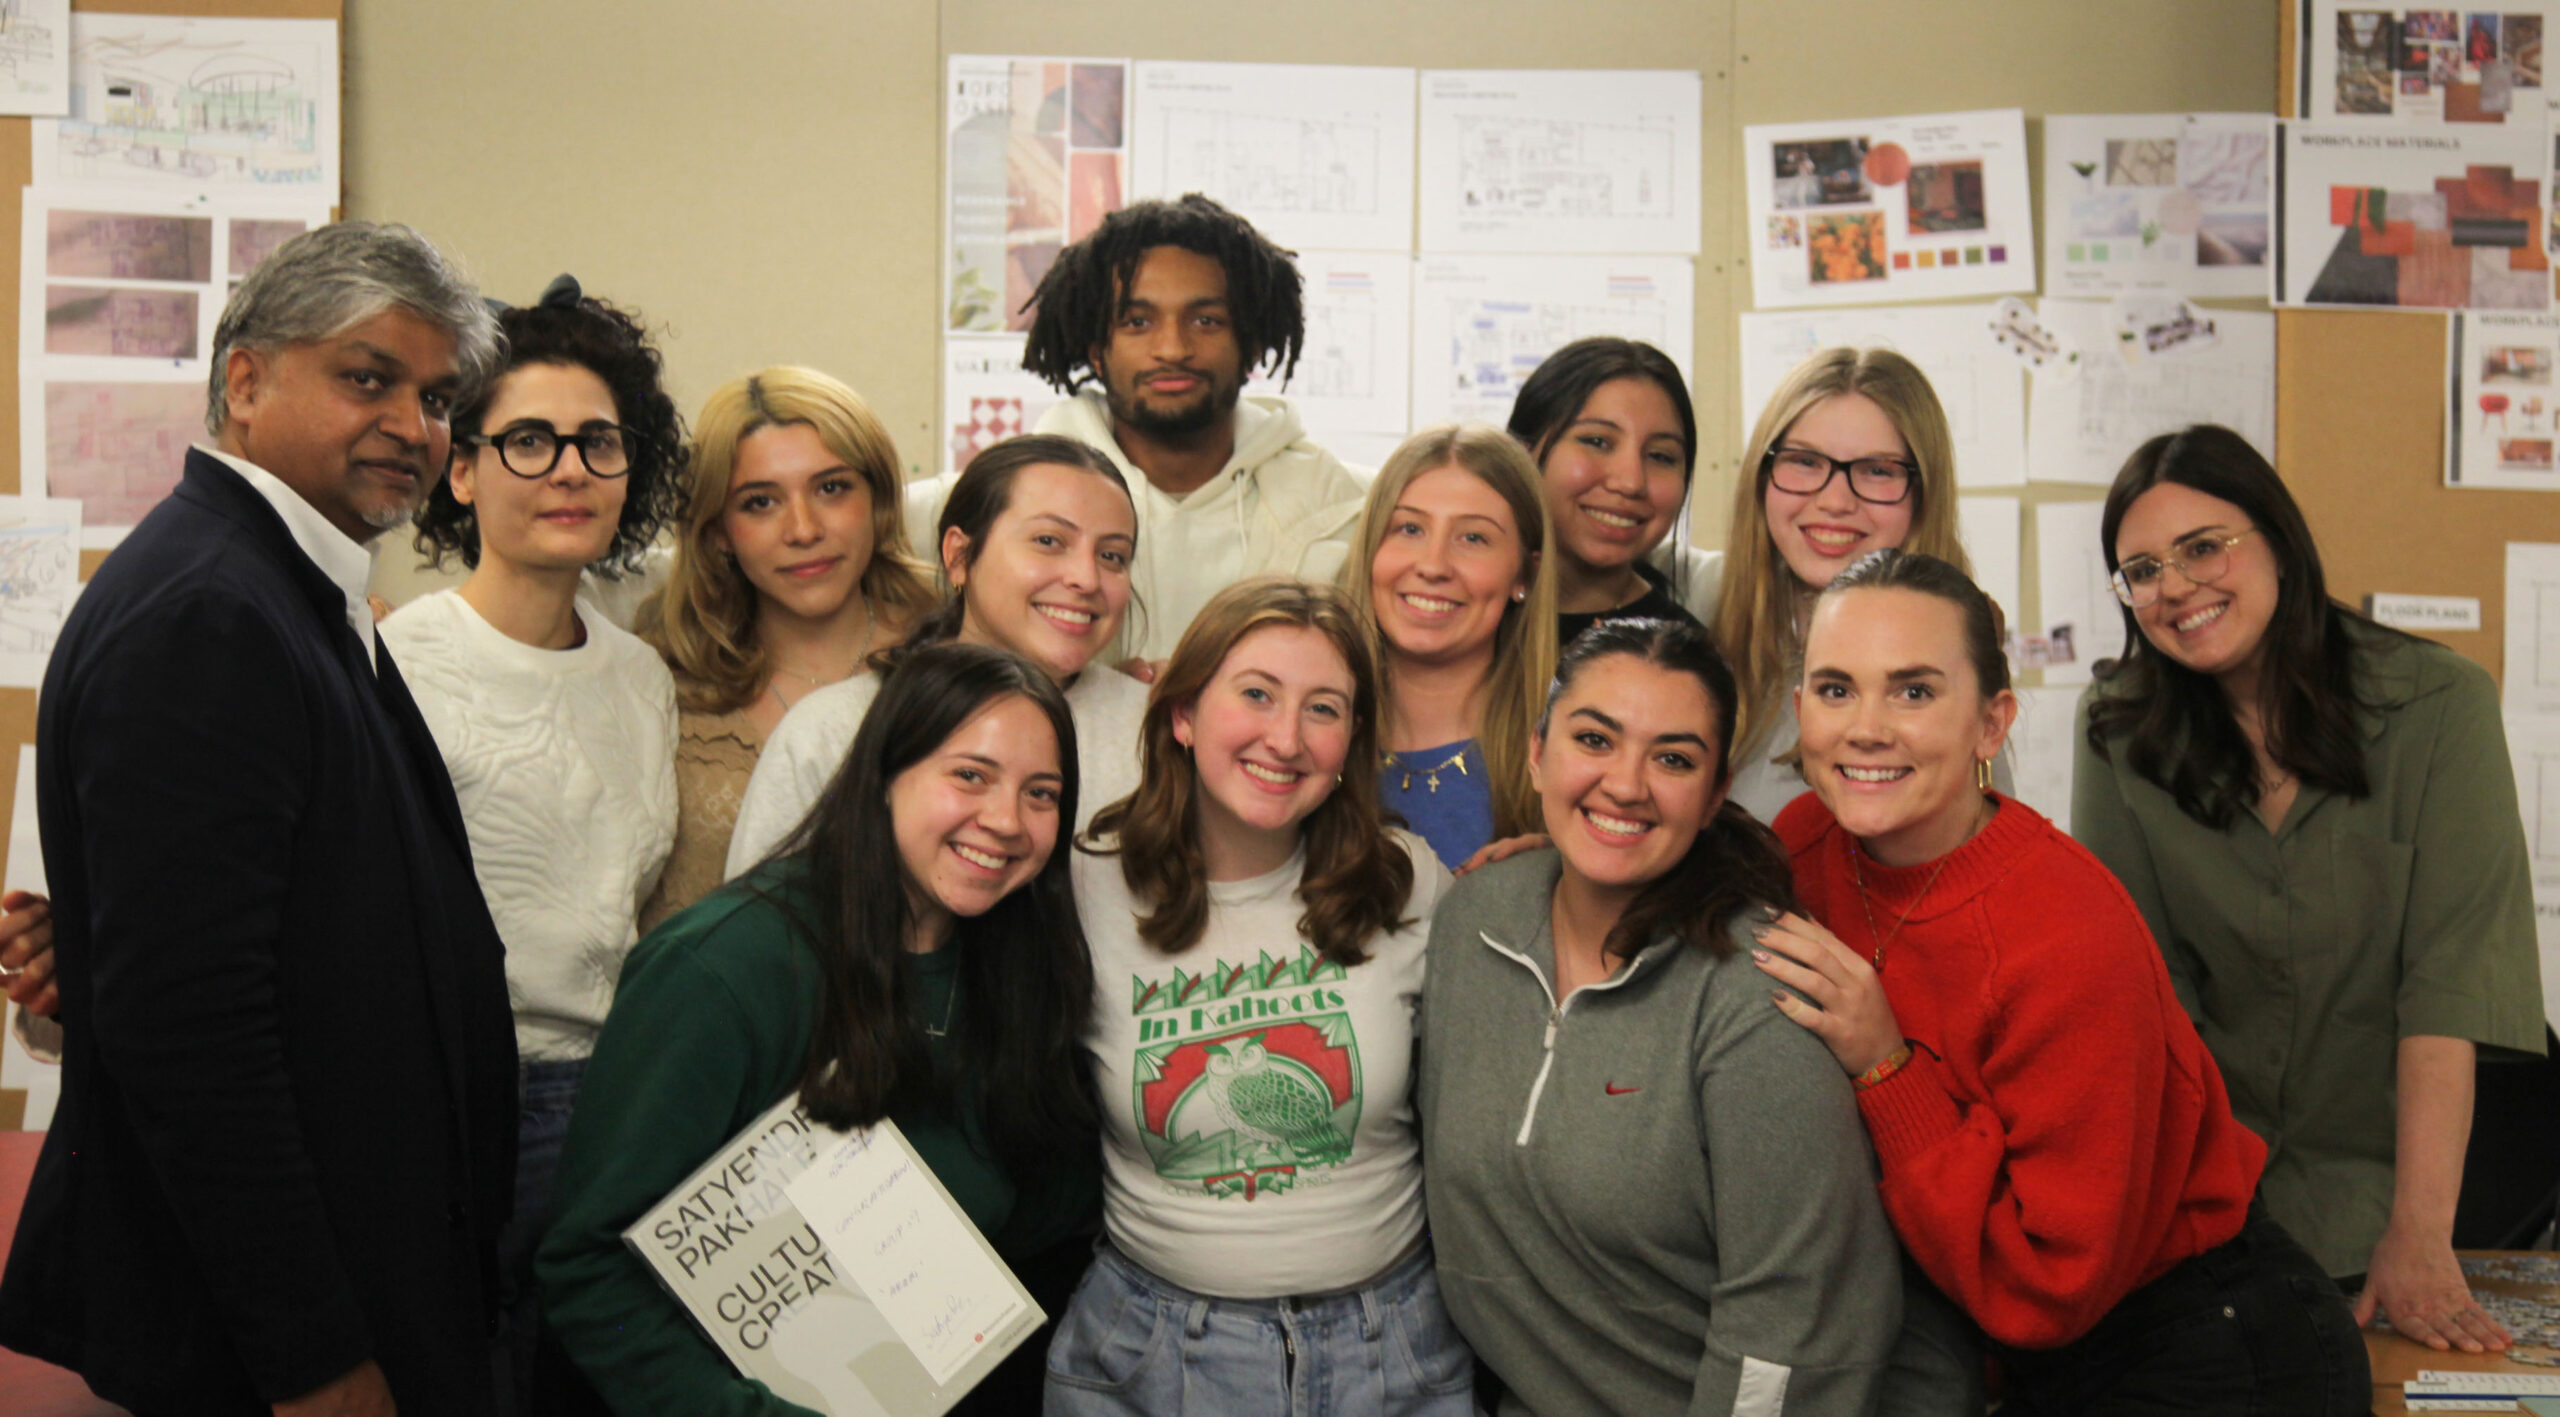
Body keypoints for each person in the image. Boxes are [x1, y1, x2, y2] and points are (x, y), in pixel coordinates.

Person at [0, 222, 518, 1415]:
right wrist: (314, 1359)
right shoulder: (211, 612)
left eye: (438, 397)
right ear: (245, 380)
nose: (414, 426)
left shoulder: (284, 586)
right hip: (278, 1341)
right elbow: (194, 1038)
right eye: (367, 377)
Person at [1760, 548, 2366, 1414]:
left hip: (2203, 1345)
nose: (1866, 726)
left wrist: (1884, 1064)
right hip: (2007, 1343)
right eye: (1834, 688)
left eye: (1916, 690)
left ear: (1991, 724)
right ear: (1800, 710)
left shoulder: (2066, 932)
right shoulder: (1807, 839)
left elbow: (2049, 1284)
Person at [2072, 425, 2546, 1352]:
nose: (2176, 587)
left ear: (2279, 542)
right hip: (2206, 1202)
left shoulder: (2438, 706)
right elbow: (2145, 1002)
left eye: (2204, 547)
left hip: (2402, 1201)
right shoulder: (2115, 730)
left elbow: (2446, 995)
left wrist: (2417, 1234)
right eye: (2143, 569)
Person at [540, 641, 1101, 1415]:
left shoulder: (1016, 963)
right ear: (882, 778)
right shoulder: (725, 968)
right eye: (970, 775)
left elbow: (1040, 1221)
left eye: (1042, 793)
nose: (1006, 820)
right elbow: (587, 1267)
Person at [1417, 618, 1915, 1416]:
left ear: (1716, 793)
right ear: (1537, 752)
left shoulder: (1757, 991)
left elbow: (1796, 1317)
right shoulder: (1472, 921)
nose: (1626, 783)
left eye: (1674, 758)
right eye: (1594, 738)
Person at [1051, 578, 1469, 1415]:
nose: (1286, 737)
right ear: (1182, 714)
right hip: (1152, 1353)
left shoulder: (1406, 878)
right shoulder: (1085, 881)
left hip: (1391, 1353)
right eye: (1255, 694)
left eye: (1323, 708)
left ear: (1352, 741)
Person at [383, 274, 686, 1404]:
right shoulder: (397, 665)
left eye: (598, 442)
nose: (568, 468)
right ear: (460, 470)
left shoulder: (644, 676)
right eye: (528, 441)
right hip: (458, 1108)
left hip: (617, 1106)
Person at [909, 193, 1368, 662]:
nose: (1171, 347)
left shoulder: (1354, 508)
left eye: (1206, 320)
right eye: (1137, 321)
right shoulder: (969, 506)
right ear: (1095, 349)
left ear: (1250, 345)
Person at [726, 434, 1149, 872]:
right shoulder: (835, 730)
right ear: (959, 555)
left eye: (1112, 555)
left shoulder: (1152, 729)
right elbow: (752, 928)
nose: (1086, 578)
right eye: (1048, 540)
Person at [635, 366, 941, 930]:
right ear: (719, 531)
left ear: (875, 499)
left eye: (831, 488)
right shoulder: (659, 673)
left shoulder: (947, 655)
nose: (803, 530)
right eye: (759, 503)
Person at [1712, 347, 1982, 822]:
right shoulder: (1703, 599)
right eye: (1804, 462)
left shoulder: (1958, 644)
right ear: (1762, 475)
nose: (1835, 501)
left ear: (1923, 494)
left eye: (1878, 471)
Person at [1337, 426, 1559, 872]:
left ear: (1525, 575)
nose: (1433, 566)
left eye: (1473, 538)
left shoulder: (1570, 752)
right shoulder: (1302, 733)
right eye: (1410, 528)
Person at [1504, 336, 1718, 643]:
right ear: (1521, 453)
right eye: (1597, 442)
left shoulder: (1686, 661)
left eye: (1660, 456)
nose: (1631, 482)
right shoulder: (1458, 612)